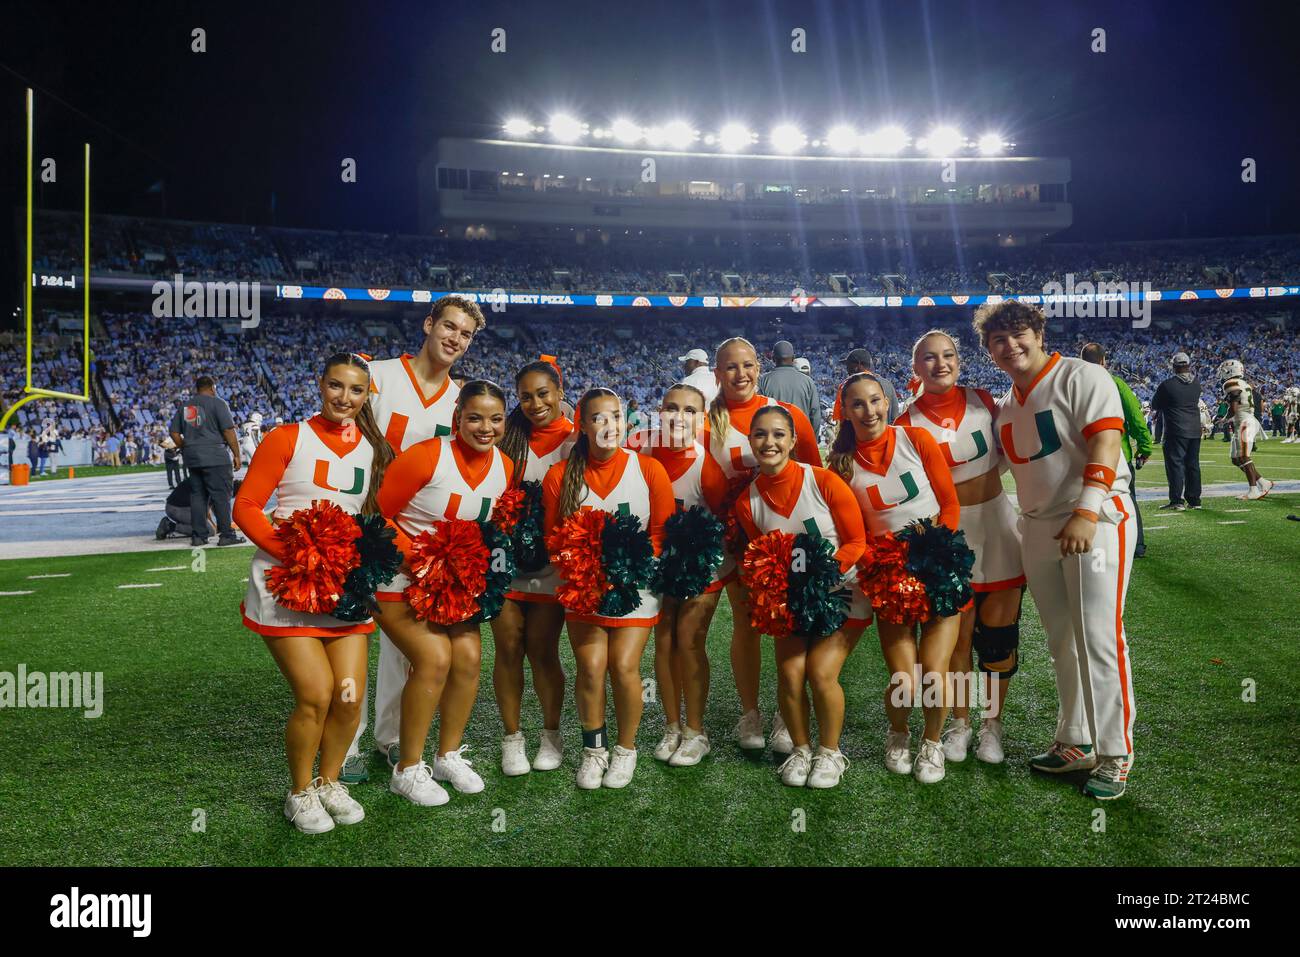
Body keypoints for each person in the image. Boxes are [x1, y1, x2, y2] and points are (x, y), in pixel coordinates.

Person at [975, 301, 1136, 800]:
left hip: (1095, 518)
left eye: (1018, 333)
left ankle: (1115, 752)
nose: (1010, 346)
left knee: (1098, 637)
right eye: (998, 340)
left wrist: (1087, 510)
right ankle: (1076, 738)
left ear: (1039, 332)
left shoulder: (1081, 376)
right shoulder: (1007, 403)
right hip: (1039, 526)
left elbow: (1107, 441)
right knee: (1062, 641)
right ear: (989, 350)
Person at [233, 353, 391, 834]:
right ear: (318, 384)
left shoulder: (375, 449)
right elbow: (245, 506)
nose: (344, 398)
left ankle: (329, 781)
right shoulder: (286, 437)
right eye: (335, 386)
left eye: (356, 390)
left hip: (344, 589)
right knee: (317, 694)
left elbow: (377, 520)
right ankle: (299, 793)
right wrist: (295, 551)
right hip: (289, 584)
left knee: (348, 698)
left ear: (368, 395)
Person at [344, 294, 485, 784]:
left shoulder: (458, 399)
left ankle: (391, 741)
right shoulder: (378, 375)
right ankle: (345, 747)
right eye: (448, 327)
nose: (454, 339)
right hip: (362, 520)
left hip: (418, 537)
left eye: (465, 334)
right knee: (352, 632)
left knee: (404, 648)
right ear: (428, 324)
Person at [373, 380, 514, 805]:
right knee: (434, 658)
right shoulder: (426, 455)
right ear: (457, 418)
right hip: (400, 579)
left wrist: (481, 571)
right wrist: (420, 559)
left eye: (494, 419)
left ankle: (447, 755)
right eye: (474, 417)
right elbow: (376, 514)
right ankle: (407, 768)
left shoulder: (505, 466)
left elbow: (490, 532)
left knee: (469, 657)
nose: (484, 427)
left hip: (454, 586)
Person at [895, 330, 1025, 766]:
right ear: (916, 368)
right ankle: (961, 723)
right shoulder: (906, 422)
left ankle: (993, 725)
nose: (940, 363)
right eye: (928, 358)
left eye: (948, 355)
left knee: (999, 637)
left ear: (959, 360)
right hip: (949, 537)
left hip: (1000, 525)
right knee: (957, 639)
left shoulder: (986, 402)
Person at [831, 373, 963, 783]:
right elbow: (850, 532)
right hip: (889, 578)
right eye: (857, 404)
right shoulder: (839, 464)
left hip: (938, 567)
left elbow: (949, 505)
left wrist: (934, 555)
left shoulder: (917, 440)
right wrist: (883, 565)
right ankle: (899, 733)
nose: (868, 411)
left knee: (934, 671)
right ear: (845, 411)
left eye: (875, 401)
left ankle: (934, 742)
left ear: (887, 403)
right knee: (904, 675)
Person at [542, 388, 675, 789]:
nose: (609, 425)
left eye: (616, 417)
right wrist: (586, 569)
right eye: (598, 418)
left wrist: (624, 569)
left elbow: (660, 534)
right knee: (591, 667)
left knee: (623, 666)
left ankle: (625, 750)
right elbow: (554, 540)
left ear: (626, 421)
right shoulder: (559, 476)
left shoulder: (649, 470)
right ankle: (593, 751)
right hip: (584, 588)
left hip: (636, 586)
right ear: (582, 425)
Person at [735, 405, 868, 787]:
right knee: (790, 673)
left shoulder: (823, 481)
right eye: (761, 434)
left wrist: (822, 577)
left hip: (841, 594)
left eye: (779, 434)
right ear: (751, 441)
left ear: (793, 440)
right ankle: (801, 749)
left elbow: (856, 541)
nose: (770, 442)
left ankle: (830, 753)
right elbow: (763, 561)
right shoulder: (748, 503)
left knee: (820, 672)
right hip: (792, 604)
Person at [702, 337, 822, 755]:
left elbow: (814, 478)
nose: (741, 374)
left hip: (789, 540)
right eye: (731, 367)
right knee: (748, 624)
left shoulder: (786, 415)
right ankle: (749, 712)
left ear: (760, 367)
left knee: (789, 628)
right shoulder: (705, 420)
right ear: (717, 373)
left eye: (748, 365)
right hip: (735, 540)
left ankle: (786, 713)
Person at [628, 383, 731, 767]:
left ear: (701, 418)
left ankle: (696, 730)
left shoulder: (708, 465)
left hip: (701, 565)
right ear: (659, 411)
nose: (679, 416)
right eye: (671, 408)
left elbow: (723, 521)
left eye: (690, 410)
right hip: (656, 562)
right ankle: (671, 726)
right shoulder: (640, 449)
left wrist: (698, 558)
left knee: (688, 641)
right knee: (664, 641)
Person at [492, 357, 576, 776]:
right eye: (525, 396)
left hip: (553, 562)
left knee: (543, 650)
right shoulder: (505, 436)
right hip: (506, 561)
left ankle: (550, 734)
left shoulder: (579, 438)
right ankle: (512, 739)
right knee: (507, 648)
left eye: (543, 393)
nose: (535, 402)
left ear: (560, 393)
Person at [1080, 343, 1152, 558]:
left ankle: (1089, 542)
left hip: (1083, 454)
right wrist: (1145, 446)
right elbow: (1135, 417)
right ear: (1103, 361)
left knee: (1085, 498)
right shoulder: (1116, 383)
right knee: (1127, 499)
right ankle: (1136, 545)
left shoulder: (1073, 384)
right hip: (1117, 455)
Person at [169, 376, 244, 547]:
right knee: (221, 496)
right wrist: (237, 454)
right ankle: (226, 535)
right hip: (215, 456)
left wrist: (186, 447)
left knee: (198, 496)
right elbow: (228, 430)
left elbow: (174, 433)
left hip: (193, 457)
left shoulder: (187, 406)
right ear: (212, 387)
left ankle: (198, 536)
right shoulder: (218, 403)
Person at [1151, 353, 1203, 511]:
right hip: (1195, 429)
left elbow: (1155, 404)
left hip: (1175, 429)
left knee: (1175, 465)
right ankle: (1194, 500)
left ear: (1174, 366)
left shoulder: (1167, 385)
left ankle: (1177, 501)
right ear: (1189, 364)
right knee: (1193, 465)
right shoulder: (1196, 384)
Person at [1217, 359, 1274, 501]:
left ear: (1231, 371)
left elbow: (1234, 407)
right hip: (1243, 421)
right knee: (1236, 459)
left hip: (1245, 422)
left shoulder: (1230, 384)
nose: (1222, 374)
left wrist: (1224, 419)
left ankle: (1253, 490)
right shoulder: (1244, 383)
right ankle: (1263, 482)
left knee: (1243, 457)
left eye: (1224, 371)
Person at [758, 340, 822, 437]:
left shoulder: (764, 381)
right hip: (801, 439)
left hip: (775, 439)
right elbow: (816, 415)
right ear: (793, 358)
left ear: (773, 358)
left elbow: (758, 414)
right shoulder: (807, 381)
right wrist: (812, 441)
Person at [156, 478, 243, 539]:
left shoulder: (216, 480)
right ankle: (169, 526)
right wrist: (215, 527)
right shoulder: (219, 486)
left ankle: (183, 524)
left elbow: (213, 507)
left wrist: (219, 525)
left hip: (178, 506)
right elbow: (205, 510)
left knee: (209, 527)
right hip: (178, 508)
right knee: (209, 531)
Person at [834, 348, 899, 423]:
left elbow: (845, 421)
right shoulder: (887, 384)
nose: (847, 368)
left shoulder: (850, 387)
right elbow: (895, 418)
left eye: (848, 364)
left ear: (858, 365)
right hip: (886, 433)